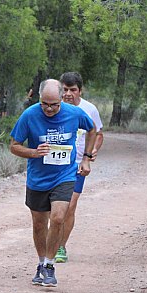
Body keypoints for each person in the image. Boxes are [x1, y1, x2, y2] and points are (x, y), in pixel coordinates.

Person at [10, 79, 96, 287]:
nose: (49, 109)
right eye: (45, 104)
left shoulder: (74, 113)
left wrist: (85, 157)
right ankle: (41, 263)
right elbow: (14, 146)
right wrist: (33, 152)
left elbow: (92, 130)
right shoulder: (29, 115)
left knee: (58, 218)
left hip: (64, 175)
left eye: (54, 105)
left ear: (61, 100)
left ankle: (50, 265)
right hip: (38, 178)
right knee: (39, 223)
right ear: (39, 99)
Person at [55, 72, 104, 263]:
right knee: (54, 208)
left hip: (77, 165)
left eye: (72, 90)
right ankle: (51, 239)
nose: (68, 94)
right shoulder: (52, 107)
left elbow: (98, 134)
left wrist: (91, 153)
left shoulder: (89, 109)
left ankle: (61, 246)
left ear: (80, 91)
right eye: (64, 89)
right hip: (55, 164)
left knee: (70, 206)